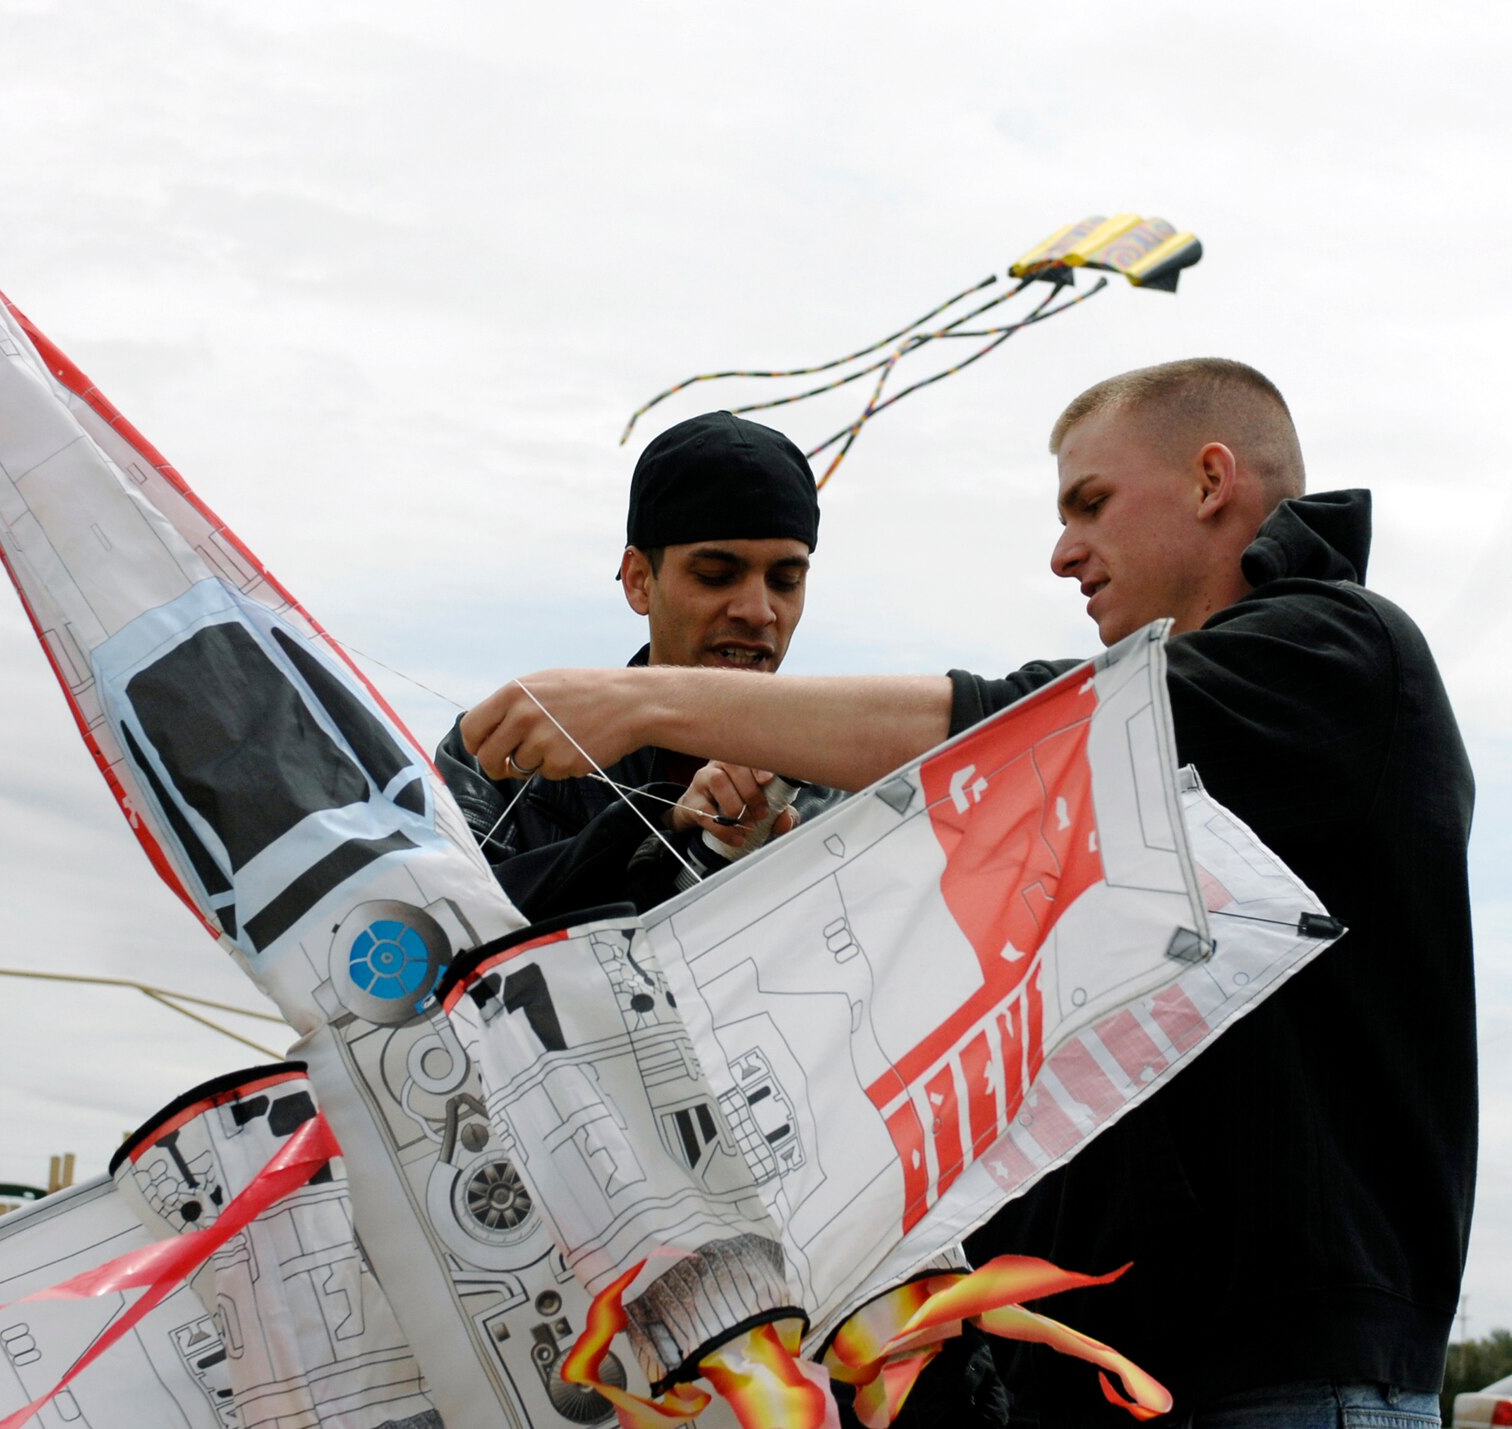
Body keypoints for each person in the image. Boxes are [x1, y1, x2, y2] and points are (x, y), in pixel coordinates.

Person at [460, 359, 1475, 1427]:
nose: (1061, 550)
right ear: (636, 577)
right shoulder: (1162, 742)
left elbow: (1015, 729)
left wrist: (638, 700)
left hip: (1279, 1381)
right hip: (1096, 1371)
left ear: (1209, 479)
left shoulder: (1336, 657)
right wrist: (767, 854)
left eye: (1089, 503)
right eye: (715, 572)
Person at [437, 409, 833, 919]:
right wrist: (654, 829)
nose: (758, 611)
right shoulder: (499, 755)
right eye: (716, 575)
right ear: (639, 580)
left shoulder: (856, 792)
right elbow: (433, 937)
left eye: (785, 581)